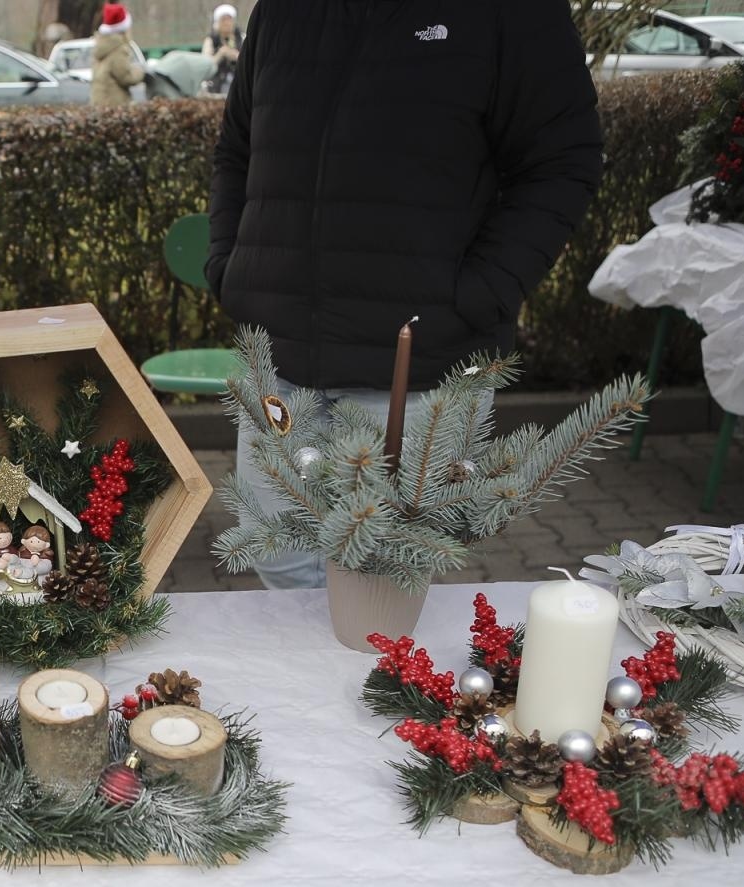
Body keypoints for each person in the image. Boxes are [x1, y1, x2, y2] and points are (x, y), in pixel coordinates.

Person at [206, 0, 602, 589]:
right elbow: (238, 149)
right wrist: (230, 266)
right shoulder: (282, 10)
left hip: (418, 370)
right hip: (281, 355)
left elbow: (562, 161)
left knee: (382, 584)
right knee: (279, 559)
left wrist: (475, 293)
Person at [90, 4, 143, 107]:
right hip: (114, 104)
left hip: (100, 102)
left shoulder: (101, 45)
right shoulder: (118, 49)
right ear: (123, 28)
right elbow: (125, 77)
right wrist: (141, 72)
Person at [201, 5, 241, 95]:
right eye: (223, 20)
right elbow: (204, 65)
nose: (227, 23)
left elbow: (251, 62)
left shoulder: (242, 38)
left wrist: (237, 56)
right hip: (216, 83)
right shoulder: (210, 40)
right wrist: (221, 54)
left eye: (229, 20)